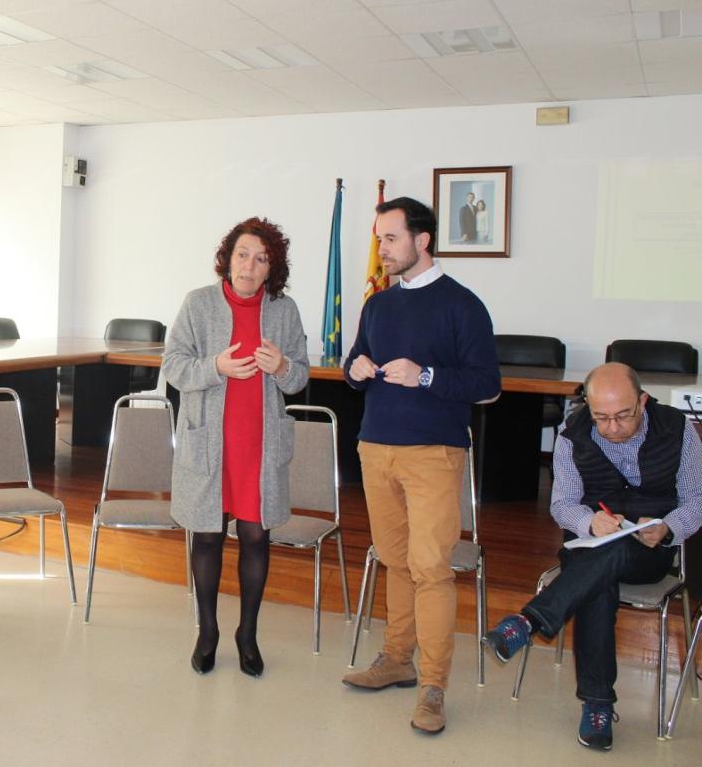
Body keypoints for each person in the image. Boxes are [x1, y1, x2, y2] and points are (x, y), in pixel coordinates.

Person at [341, 197, 500, 735]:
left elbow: (488, 385)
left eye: (390, 238)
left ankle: (434, 686)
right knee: (394, 560)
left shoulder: (462, 305)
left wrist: (427, 376)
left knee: (431, 568)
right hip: (375, 447)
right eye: (379, 239)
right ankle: (396, 660)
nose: (381, 249)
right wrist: (355, 368)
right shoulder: (379, 305)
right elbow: (353, 363)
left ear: (422, 240)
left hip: (434, 453)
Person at [483, 363, 702, 751]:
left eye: (623, 416)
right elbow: (563, 504)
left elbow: (697, 499)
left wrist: (668, 527)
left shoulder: (679, 429)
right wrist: (588, 523)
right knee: (596, 580)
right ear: (588, 406)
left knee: (606, 561)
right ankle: (598, 706)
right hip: (589, 546)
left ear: (643, 401)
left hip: (649, 552)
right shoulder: (572, 434)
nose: (613, 427)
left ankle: (528, 621)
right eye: (602, 417)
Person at [162, 217, 309, 678]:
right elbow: (173, 366)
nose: (249, 265)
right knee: (206, 535)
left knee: (254, 536)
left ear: (272, 269)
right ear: (228, 258)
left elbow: (300, 376)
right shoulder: (198, 304)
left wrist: (283, 365)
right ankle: (208, 633)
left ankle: (248, 634)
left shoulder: (284, 311)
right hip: (209, 443)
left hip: (258, 446)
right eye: (243, 254)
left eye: (261, 259)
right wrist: (216, 366)